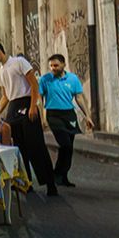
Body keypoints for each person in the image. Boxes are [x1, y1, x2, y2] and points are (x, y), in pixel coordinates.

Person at [0, 39, 57, 195]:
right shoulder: (0, 72)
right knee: (18, 148)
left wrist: (33, 106)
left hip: (27, 103)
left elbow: (34, 84)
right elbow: (5, 96)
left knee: (36, 146)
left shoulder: (19, 62)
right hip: (13, 107)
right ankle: (26, 183)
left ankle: (50, 184)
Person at [39, 53, 94, 187]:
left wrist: (88, 116)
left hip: (69, 115)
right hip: (54, 115)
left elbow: (79, 98)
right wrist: (43, 117)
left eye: (56, 65)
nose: (53, 68)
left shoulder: (73, 79)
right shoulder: (45, 80)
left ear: (63, 65)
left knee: (69, 148)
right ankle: (57, 173)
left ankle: (63, 176)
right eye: (51, 66)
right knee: (65, 144)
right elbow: (39, 99)